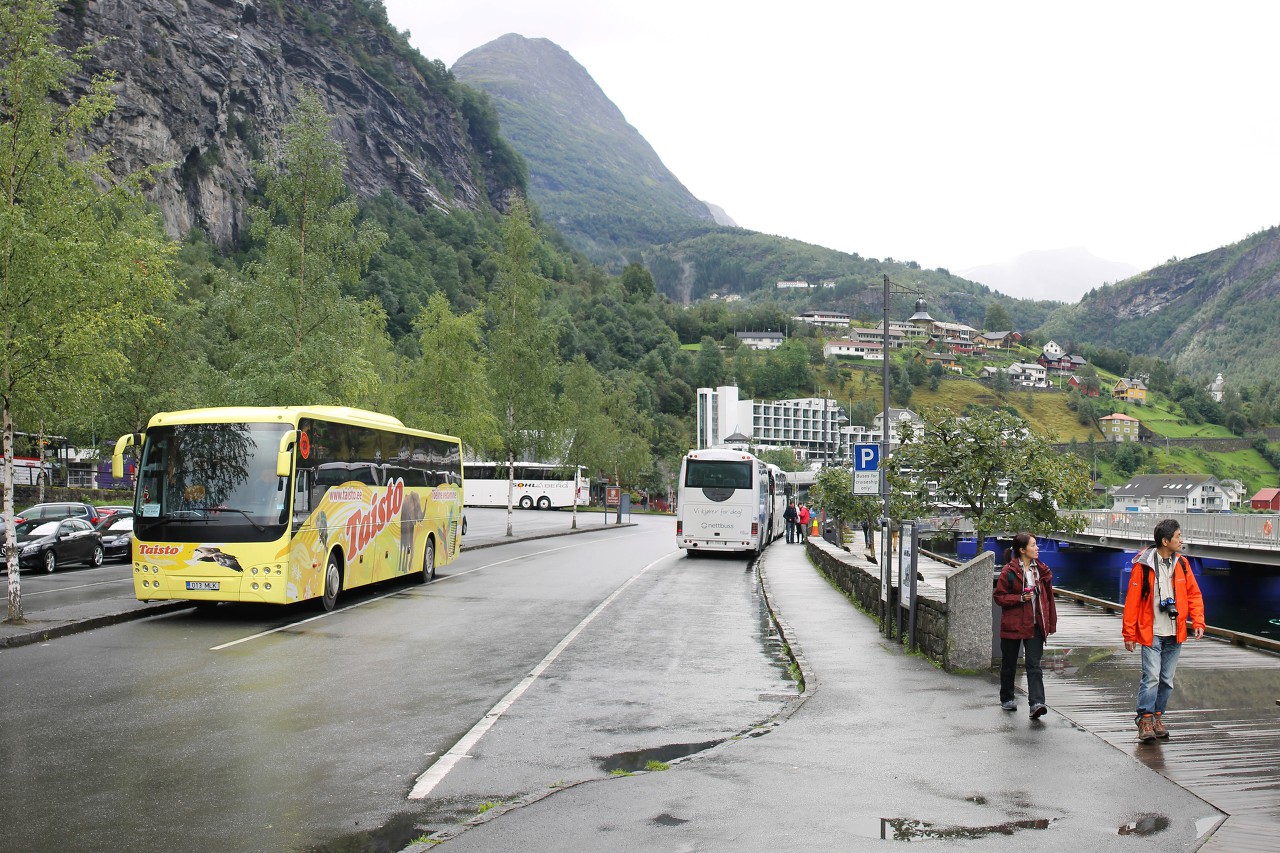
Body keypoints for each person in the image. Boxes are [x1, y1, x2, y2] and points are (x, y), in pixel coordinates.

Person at [1122, 518, 1205, 742]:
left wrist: (1198, 622)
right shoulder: (1143, 565)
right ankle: (1145, 720)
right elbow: (1132, 601)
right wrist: (1129, 634)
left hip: (1174, 631)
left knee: (1166, 679)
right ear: (1165, 541)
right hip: (1151, 630)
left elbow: (1194, 595)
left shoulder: (1183, 564)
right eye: (1178, 536)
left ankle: (1158, 717)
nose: (1181, 540)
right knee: (1151, 678)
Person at [992, 532, 1057, 719]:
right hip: (1013, 624)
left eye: (1036, 545)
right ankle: (1007, 698)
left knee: (1034, 665)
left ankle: (1036, 703)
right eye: (1033, 545)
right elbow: (999, 597)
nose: (1037, 548)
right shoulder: (1009, 571)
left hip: (1035, 624)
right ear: (1022, 550)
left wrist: (1050, 622)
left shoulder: (1042, 571)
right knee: (1009, 664)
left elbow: (1048, 599)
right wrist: (1020, 598)